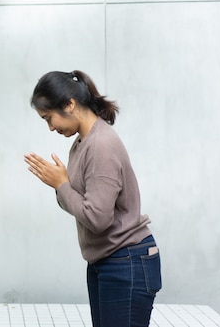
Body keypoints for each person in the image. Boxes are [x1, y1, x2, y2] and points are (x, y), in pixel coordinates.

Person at [23, 70, 162, 327]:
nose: (51, 127)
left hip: (126, 261)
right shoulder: (81, 143)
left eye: (49, 118)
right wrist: (60, 185)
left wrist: (61, 184)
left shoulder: (100, 145)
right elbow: (81, 205)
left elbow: (97, 219)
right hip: (107, 261)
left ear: (70, 104)